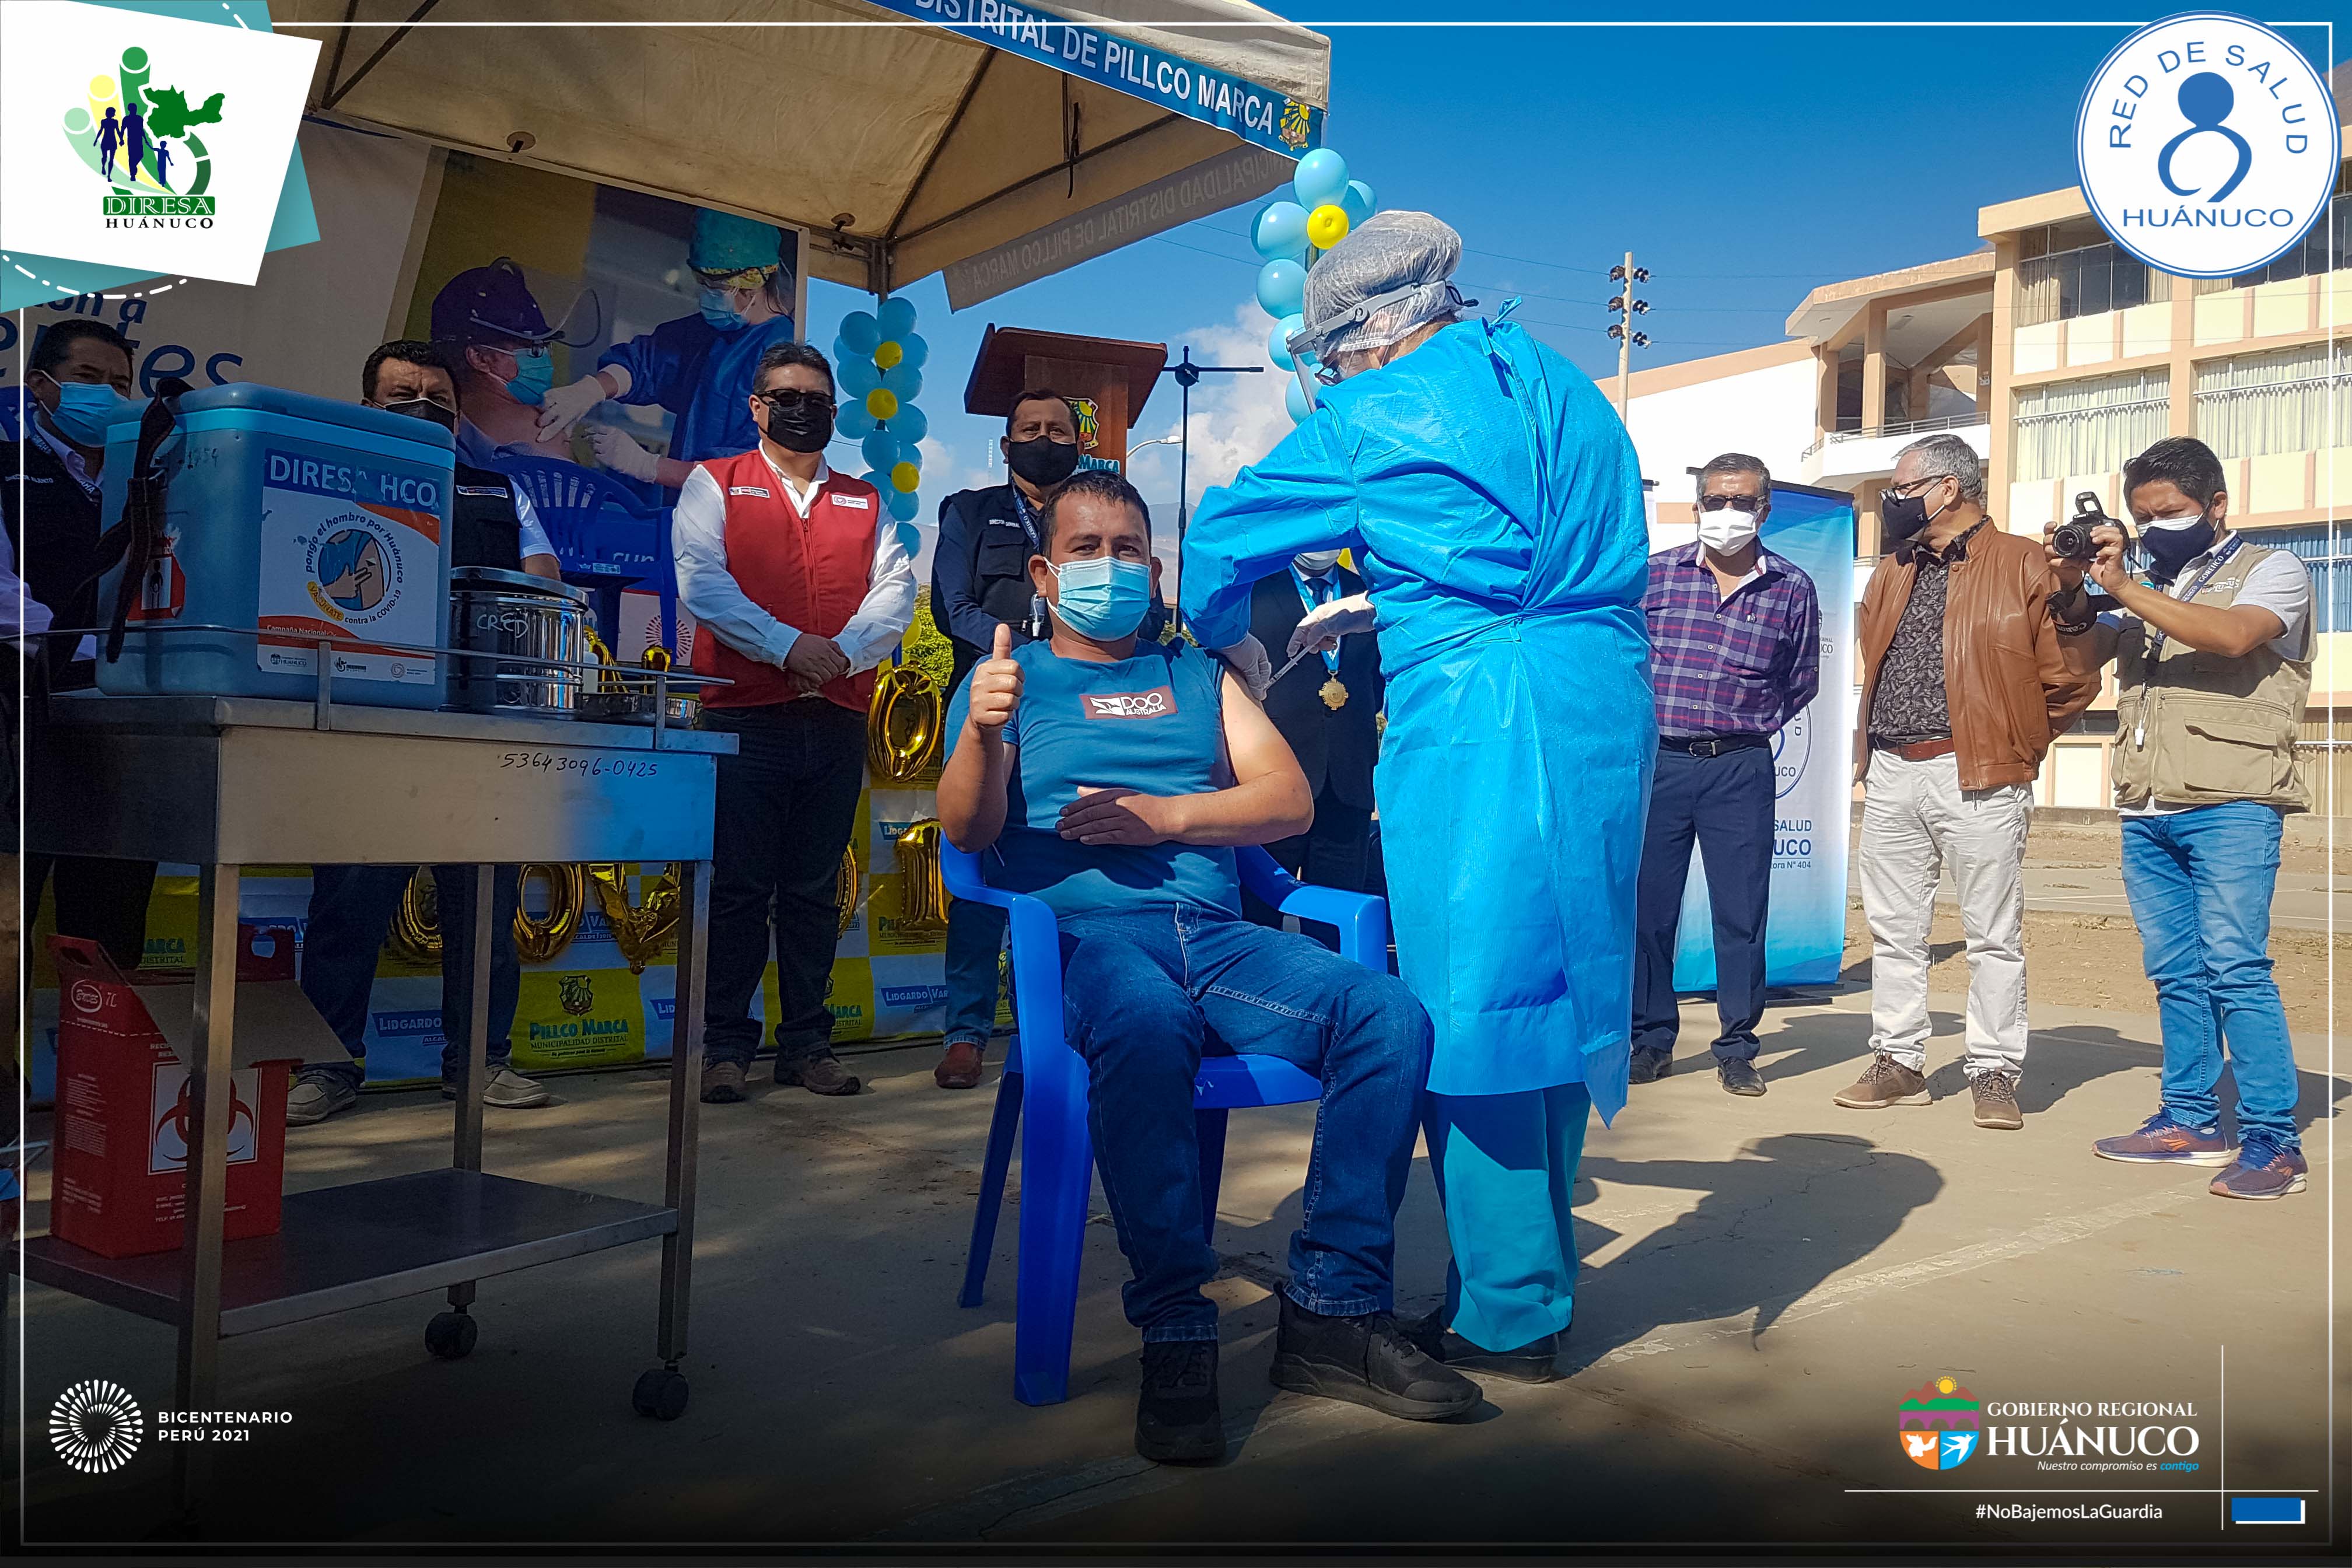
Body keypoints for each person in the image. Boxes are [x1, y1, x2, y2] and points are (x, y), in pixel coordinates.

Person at [1180, 213, 1654, 1385]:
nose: (1333, 377)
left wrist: (1229, 647)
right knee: (1560, 986)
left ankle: (1510, 1310)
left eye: (1333, 359)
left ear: (1366, 336)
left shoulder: (1371, 413)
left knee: (1474, 1003)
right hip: (1602, 708)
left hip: (1479, 717)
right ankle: (1533, 1279)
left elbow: (1220, 537)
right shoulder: (1564, 385)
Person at [937, 469, 1477, 1465]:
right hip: (1083, 945)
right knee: (1146, 1021)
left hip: (1216, 937)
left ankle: (1332, 1310)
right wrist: (981, 730)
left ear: (1154, 570)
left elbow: (1288, 799)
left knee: (1388, 1014)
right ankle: (1177, 1325)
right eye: (1085, 550)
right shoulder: (1008, 680)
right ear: (1046, 575)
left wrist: (1167, 816)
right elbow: (967, 833)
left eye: (1127, 551)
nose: (1109, 567)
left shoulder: (1200, 675)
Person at [286, 339, 564, 1126]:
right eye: (403, 395)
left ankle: (479, 1063)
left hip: (476, 731)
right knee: (348, 909)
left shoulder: (500, 490)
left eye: (439, 399)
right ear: (367, 408)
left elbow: (542, 581)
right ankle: (328, 1066)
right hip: (367, 729)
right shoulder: (325, 486)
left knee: (484, 911)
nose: (423, 408)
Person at [2047, 438, 2312, 1200]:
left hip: (2233, 802)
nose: (2156, 527)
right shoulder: (2144, 588)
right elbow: (2076, 664)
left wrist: (2124, 586)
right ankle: (2191, 1120)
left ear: (2216, 505)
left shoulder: (2272, 570)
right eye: (2143, 516)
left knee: (2236, 969)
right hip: (2149, 806)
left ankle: (2274, 1142)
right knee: (2176, 973)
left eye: (2171, 512)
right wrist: (2071, 590)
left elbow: (2231, 635)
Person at [679, 342, 915, 1104]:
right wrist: (787, 647)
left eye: (816, 399)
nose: (802, 409)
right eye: (786, 396)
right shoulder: (714, 483)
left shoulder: (866, 501)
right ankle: (725, 1047)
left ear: (835, 413)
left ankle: (807, 1045)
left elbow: (895, 591)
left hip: (836, 720)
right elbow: (702, 583)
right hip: (745, 720)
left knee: (816, 893)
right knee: (740, 891)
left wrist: (837, 657)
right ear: (757, 407)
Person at [1838, 434, 2094, 1130]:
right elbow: (1876, 656)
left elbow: (2070, 678)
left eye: (1902, 489)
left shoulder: (2023, 562)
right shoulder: (1893, 570)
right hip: (1892, 769)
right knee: (1894, 932)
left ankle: (1994, 1071)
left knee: (1992, 935)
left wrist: (2016, 741)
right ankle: (1898, 1061)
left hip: (1978, 771)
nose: (1893, 502)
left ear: (1947, 488)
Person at [925, 388, 1167, 1090]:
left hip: (1092, 702)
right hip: (995, 699)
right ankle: (967, 1030)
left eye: (1059, 431)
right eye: (1030, 429)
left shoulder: (1101, 516)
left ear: (1079, 444)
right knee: (983, 858)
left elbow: (1147, 616)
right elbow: (951, 607)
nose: (1045, 440)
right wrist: (1036, 644)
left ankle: (1079, 1013)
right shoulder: (970, 511)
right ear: (1007, 445)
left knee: (1085, 847)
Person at [1630, 454, 1820, 1097]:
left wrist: (1744, 724)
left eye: (1741, 501)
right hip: (1661, 763)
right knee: (1648, 911)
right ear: (1697, 507)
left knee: (1741, 914)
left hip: (1740, 767)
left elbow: (1801, 680)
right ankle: (1650, 1040)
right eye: (1715, 501)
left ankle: (1738, 1047)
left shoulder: (1792, 588)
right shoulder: (1656, 576)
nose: (1727, 513)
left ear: (1764, 510)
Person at [2, 320, 155, 972]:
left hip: (126, 725)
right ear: (40, 385)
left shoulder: (151, 483)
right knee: (9, 919)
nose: (108, 397)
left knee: (110, 927)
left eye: (121, 385)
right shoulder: (6, 471)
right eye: (89, 379)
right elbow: (3, 598)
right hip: (23, 716)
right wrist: (93, 652)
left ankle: (96, 1039)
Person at [538, 211, 799, 487]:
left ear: (749, 285)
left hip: (734, 510)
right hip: (686, 502)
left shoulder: (783, 358)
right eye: (701, 283)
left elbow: (754, 475)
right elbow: (649, 363)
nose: (706, 295)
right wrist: (590, 390)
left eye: (714, 287)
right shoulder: (705, 333)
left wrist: (648, 466)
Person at [1238, 545, 1384, 933]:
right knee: (1259, 914)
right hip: (1273, 776)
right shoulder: (1255, 588)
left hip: (1348, 780)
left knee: (1337, 920)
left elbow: (1376, 680)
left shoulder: (1369, 593)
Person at [430, 258, 578, 466]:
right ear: (479, 358)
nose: (546, 361)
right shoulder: (540, 429)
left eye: (546, 347)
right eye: (534, 350)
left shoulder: (437, 422)